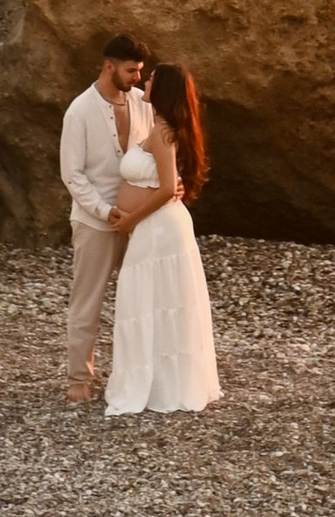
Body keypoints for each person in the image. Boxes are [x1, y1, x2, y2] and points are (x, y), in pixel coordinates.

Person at [103, 62, 222, 416]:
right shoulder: (158, 125)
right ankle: (158, 379)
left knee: (154, 302)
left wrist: (132, 220)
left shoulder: (164, 132)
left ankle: (162, 384)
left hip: (158, 229)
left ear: (163, 88)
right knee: (152, 301)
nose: (145, 81)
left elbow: (170, 188)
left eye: (152, 78)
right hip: (154, 228)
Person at [58, 34, 148, 406]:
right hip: (95, 223)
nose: (137, 79)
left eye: (140, 71)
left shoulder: (144, 104)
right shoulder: (79, 111)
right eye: (131, 71)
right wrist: (102, 210)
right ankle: (80, 378)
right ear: (109, 66)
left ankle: (138, 374)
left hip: (140, 220)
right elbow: (72, 174)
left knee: (141, 300)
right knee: (88, 303)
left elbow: (159, 150)